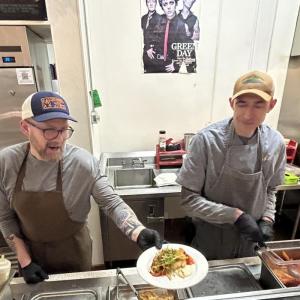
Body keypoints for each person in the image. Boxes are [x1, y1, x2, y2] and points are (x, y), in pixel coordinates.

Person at [0, 91, 163, 284]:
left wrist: (138, 231)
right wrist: (25, 261)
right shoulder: (7, 162)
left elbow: (112, 204)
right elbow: (5, 217)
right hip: (30, 254)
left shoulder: (82, 163)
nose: (59, 139)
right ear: (26, 127)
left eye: (64, 130)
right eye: (49, 130)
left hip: (74, 251)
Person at [176, 70, 286, 260]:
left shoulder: (276, 143)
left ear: (271, 105)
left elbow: (271, 189)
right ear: (231, 103)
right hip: (211, 238)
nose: (248, 114)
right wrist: (235, 216)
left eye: (258, 105)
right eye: (241, 104)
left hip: (251, 241)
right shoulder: (206, 141)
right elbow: (189, 200)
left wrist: (267, 219)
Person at [146, 0, 189, 73]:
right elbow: (147, 34)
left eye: (171, 3)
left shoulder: (181, 25)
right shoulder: (157, 20)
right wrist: (148, 48)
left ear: (176, 4)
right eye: (165, 4)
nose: (168, 7)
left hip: (169, 65)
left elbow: (183, 47)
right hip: (153, 63)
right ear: (162, 7)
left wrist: (176, 65)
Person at [178, 0, 200, 73]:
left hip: (189, 50)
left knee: (191, 73)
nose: (190, 1)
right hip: (176, 49)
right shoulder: (175, 16)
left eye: (192, 0)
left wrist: (189, 33)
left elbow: (197, 37)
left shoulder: (195, 18)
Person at [141, 0, 162, 73]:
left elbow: (157, 37)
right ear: (146, 4)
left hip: (154, 53)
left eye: (153, 1)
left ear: (156, 3)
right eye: (149, 2)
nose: (151, 4)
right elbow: (143, 35)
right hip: (146, 52)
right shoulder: (143, 18)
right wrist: (147, 48)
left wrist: (149, 48)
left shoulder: (160, 18)